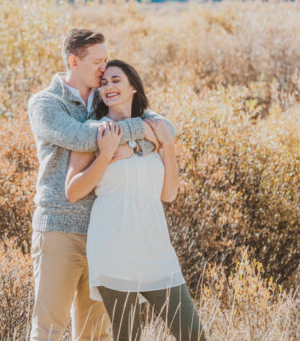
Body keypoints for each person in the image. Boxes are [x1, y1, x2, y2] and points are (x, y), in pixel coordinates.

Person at [27, 29, 174, 341]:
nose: (104, 69)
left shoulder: (102, 96)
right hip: (59, 229)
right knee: (48, 329)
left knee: (96, 334)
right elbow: (83, 137)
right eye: (97, 61)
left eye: (106, 60)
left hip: (103, 234)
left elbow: (166, 127)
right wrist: (141, 130)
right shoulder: (45, 103)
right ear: (74, 61)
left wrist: (142, 136)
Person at [66, 59, 205, 341]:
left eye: (116, 80)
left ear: (133, 88)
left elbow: (169, 194)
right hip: (113, 245)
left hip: (155, 246)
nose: (108, 87)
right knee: (128, 335)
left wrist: (167, 145)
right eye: (104, 83)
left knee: (191, 333)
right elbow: (73, 191)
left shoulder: (154, 129)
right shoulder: (94, 132)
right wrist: (105, 155)